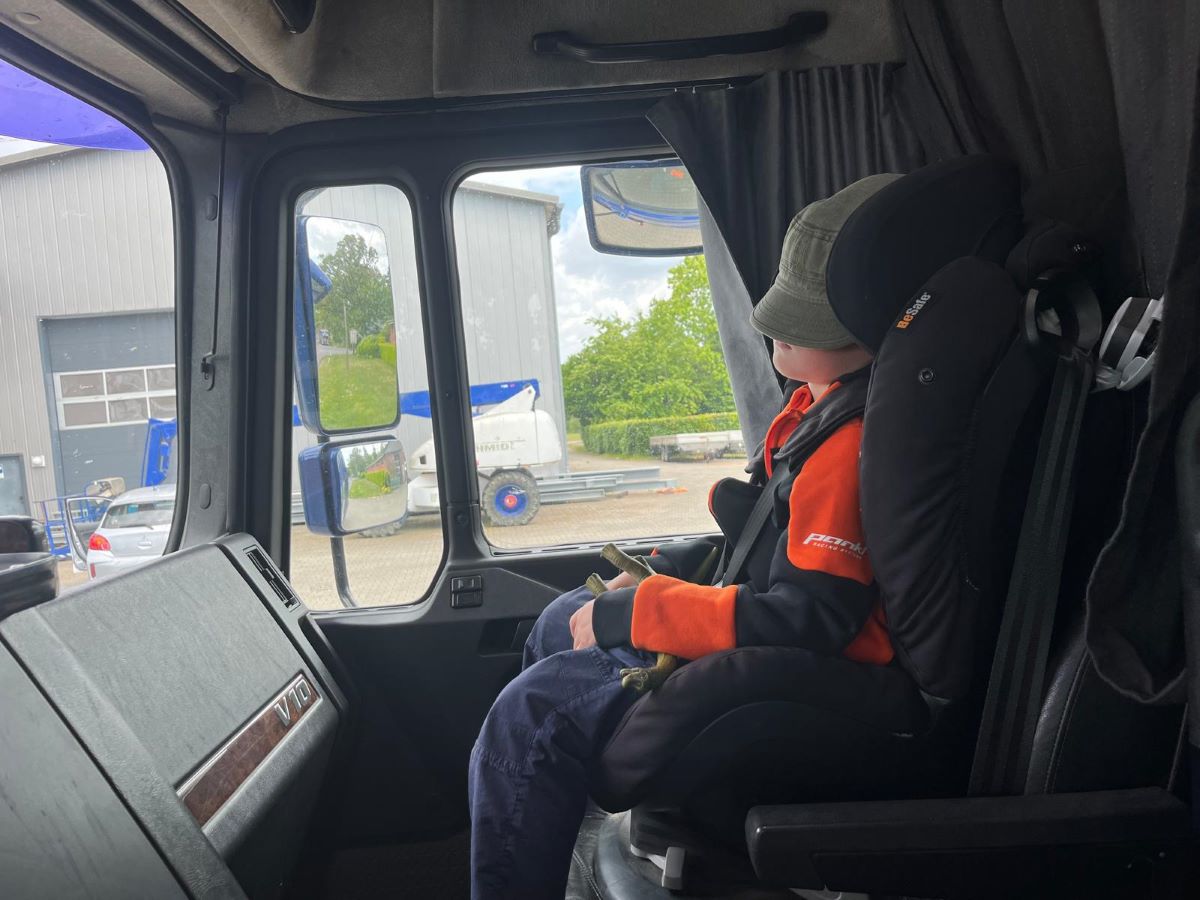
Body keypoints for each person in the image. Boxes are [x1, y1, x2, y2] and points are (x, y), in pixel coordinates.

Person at [468, 173, 900, 900]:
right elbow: (768, 560)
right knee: (557, 619)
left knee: (528, 717)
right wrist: (667, 575)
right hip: (757, 625)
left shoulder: (847, 447)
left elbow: (810, 616)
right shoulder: (814, 408)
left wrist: (639, 610)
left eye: (807, 316)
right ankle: (555, 844)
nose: (776, 325)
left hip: (799, 671)